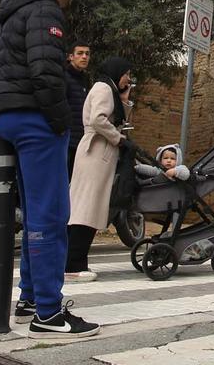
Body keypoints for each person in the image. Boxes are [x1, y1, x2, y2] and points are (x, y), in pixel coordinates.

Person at [0, 0, 98, 339]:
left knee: (34, 211)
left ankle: (30, 298)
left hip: (4, 116)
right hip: (34, 117)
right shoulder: (45, 10)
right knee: (51, 214)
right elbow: (46, 70)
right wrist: (61, 119)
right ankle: (48, 313)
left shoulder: (12, 12)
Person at [66, 56, 134, 281]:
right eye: (127, 73)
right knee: (85, 208)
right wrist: (119, 140)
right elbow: (98, 119)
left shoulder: (110, 90)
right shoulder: (104, 88)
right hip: (95, 152)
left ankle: (77, 262)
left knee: (88, 208)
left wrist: (124, 99)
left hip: (98, 153)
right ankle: (73, 265)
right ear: (117, 71)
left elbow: (117, 120)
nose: (129, 78)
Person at [64, 41, 91, 181]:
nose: (84, 57)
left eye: (87, 54)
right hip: (66, 141)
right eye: (80, 53)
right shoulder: (64, 78)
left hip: (81, 141)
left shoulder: (85, 80)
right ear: (70, 57)